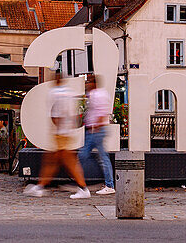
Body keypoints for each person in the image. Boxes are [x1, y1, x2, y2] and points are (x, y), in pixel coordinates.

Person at [23, 71, 90, 199]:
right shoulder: (69, 93)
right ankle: (41, 186)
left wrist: (57, 130)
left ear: (55, 80)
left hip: (61, 133)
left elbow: (56, 115)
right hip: (66, 132)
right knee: (54, 161)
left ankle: (82, 188)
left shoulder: (56, 93)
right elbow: (75, 115)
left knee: (62, 162)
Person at [78, 75, 116, 195]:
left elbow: (102, 112)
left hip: (96, 130)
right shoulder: (96, 94)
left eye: (88, 82)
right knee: (85, 156)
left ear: (94, 83)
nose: (86, 84)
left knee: (98, 157)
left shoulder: (98, 95)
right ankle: (81, 184)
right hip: (93, 130)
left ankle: (109, 185)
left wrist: (96, 127)